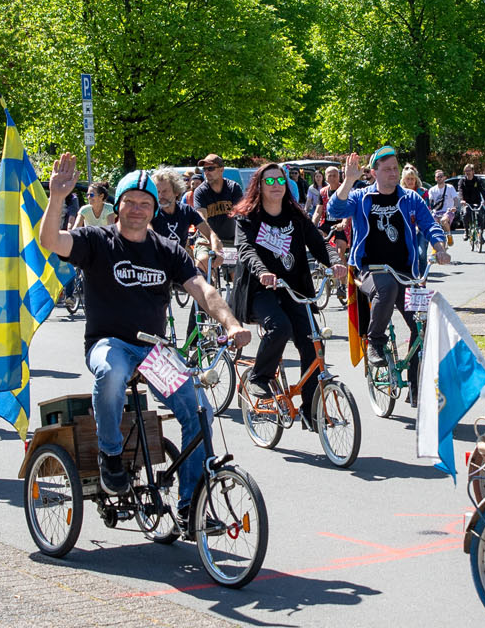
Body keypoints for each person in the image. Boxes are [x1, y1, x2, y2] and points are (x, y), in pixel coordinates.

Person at [38, 157, 250, 509]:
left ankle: (190, 505)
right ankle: (110, 453)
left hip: (154, 352)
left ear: (155, 209)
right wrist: (56, 198)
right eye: (130, 202)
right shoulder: (97, 241)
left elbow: (203, 289)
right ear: (117, 206)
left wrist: (232, 324)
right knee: (111, 372)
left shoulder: (166, 250)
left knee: (199, 412)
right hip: (109, 343)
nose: (137, 209)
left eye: (145, 204)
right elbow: (51, 241)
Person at [233, 163, 347, 422]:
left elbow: (320, 244)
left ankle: (310, 408)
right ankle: (260, 377)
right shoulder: (248, 218)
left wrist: (335, 262)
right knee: (280, 326)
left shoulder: (296, 216)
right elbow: (246, 250)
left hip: (292, 289)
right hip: (260, 291)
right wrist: (262, 271)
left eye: (280, 181)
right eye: (269, 181)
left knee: (312, 342)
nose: (276, 186)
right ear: (259, 186)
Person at [328, 146, 451, 371]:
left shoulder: (410, 198)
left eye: (395, 168)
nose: (393, 173)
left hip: (405, 271)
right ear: (374, 173)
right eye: (387, 169)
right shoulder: (360, 196)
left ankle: (416, 385)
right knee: (386, 286)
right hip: (369, 269)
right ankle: (375, 341)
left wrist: (439, 249)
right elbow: (335, 210)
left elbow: (430, 225)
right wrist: (348, 182)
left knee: (421, 325)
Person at [191, 154, 244, 283]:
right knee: (202, 265)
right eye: (205, 169)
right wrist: (213, 240)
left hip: (231, 240)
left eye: (211, 169)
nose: (206, 172)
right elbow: (201, 218)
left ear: (221, 170)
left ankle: (235, 301)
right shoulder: (200, 192)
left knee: (238, 278)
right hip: (207, 239)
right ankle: (205, 298)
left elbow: (241, 214)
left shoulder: (233, 188)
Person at [151, 169, 209, 248]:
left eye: (165, 191)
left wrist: (215, 244)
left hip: (180, 258)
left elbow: (208, 232)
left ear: (176, 192)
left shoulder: (186, 211)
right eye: (158, 192)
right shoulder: (151, 212)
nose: (160, 196)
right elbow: (147, 232)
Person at [457, 164, 485, 239]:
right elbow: (460, 191)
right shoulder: (462, 181)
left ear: (473, 171)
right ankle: (466, 231)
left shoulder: (477, 180)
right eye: (466, 171)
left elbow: (482, 190)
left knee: (481, 216)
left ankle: (480, 235)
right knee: (466, 214)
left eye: (469, 171)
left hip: (477, 202)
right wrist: (462, 200)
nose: (467, 172)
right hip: (467, 203)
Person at [427, 170, 458, 237]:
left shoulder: (450, 187)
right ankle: (437, 239)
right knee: (433, 223)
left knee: (443, 220)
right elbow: (430, 202)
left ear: (444, 177)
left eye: (441, 176)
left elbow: (455, 199)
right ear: (435, 178)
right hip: (436, 212)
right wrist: (428, 209)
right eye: (438, 177)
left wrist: (454, 207)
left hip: (448, 211)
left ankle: (449, 235)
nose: (439, 178)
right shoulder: (432, 190)